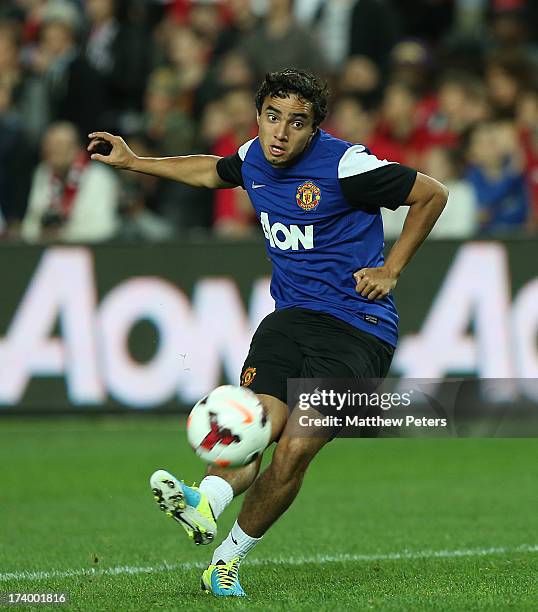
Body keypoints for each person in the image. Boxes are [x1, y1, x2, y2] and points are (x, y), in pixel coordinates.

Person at [88, 69, 448, 597]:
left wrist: (391, 268)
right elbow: (211, 171)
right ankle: (206, 501)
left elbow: (432, 194)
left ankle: (226, 559)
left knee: (295, 449)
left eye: (296, 123)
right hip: (289, 320)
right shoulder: (254, 156)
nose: (281, 133)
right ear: (258, 117)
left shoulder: (347, 165)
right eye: (272, 117)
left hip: (358, 328)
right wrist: (134, 161)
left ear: (314, 130)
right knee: (255, 421)